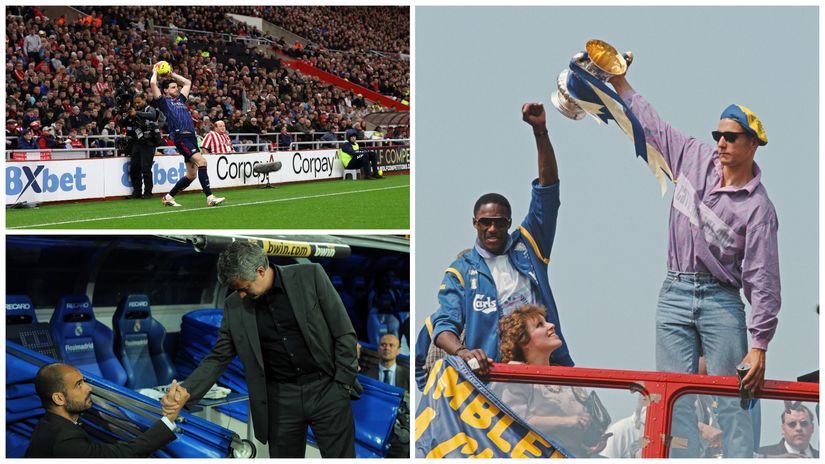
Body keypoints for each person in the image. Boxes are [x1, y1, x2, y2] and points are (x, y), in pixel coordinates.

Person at [609, 66, 778, 458]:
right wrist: (618, 81)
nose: (720, 143)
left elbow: (763, 280)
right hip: (674, 290)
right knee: (673, 398)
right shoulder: (693, 156)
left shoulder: (759, 208)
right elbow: (651, 123)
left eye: (730, 137)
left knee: (734, 400)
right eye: (717, 134)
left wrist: (760, 345)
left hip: (722, 298)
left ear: (753, 144)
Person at [416, 102, 572, 386]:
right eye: (485, 222)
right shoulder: (461, 271)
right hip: (493, 379)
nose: (492, 228)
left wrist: (540, 131)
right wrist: (463, 352)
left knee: (578, 424)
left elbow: (548, 191)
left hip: (546, 369)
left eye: (500, 222)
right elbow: (443, 326)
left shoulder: (529, 247)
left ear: (509, 223)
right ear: (474, 223)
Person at [181, 241, 361, 458]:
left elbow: (343, 331)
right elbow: (218, 356)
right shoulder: (233, 306)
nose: (240, 295)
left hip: (327, 389)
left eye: (244, 288)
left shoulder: (311, 275)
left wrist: (342, 385)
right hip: (280, 400)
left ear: (260, 271)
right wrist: (185, 392)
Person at [489, 305, 610, 458]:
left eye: (546, 322)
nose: (551, 325)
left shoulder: (567, 378)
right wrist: (568, 421)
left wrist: (591, 442)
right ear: (523, 341)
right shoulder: (514, 375)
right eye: (540, 325)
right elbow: (515, 422)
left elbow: (582, 423)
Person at [25, 363, 189, 457]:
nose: (89, 388)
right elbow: (126, 454)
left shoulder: (50, 423)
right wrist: (170, 416)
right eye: (79, 385)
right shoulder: (66, 442)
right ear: (59, 398)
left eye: (84, 381)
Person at [150, 62, 225, 207]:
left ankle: (168, 197)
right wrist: (155, 71)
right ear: (165, 90)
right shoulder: (163, 102)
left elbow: (187, 82)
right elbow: (153, 83)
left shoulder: (180, 100)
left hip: (190, 137)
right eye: (172, 87)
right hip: (181, 137)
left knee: (191, 175)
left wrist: (172, 74)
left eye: (176, 87)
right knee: (202, 162)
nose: (176, 89)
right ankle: (210, 197)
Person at [364, 333, 411, 458]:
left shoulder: (408, 376)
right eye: (383, 345)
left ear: (398, 351)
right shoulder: (366, 375)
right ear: (378, 349)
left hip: (398, 433)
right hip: (372, 428)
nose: (387, 348)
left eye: (391, 345)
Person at [121, 94, 160, 199]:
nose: (137, 105)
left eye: (139, 102)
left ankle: (148, 193)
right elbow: (122, 123)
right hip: (136, 143)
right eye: (135, 103)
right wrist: (130, 115)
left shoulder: (149, 109)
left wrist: (136, 113)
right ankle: (137, 192)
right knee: (134, 168)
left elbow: (152, 115)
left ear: (144, 100)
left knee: (146, 169)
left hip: (148, 143)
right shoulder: (132, 111)